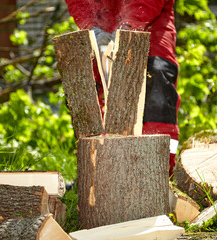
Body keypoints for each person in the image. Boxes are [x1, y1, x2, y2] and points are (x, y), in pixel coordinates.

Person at [65, 0, 180, 177]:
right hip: (101, 24)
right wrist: (92, 28)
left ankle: (160, 172)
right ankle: (98, 174)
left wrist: (129, 26)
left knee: (158, 82)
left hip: (152, 23)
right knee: (85, 88)